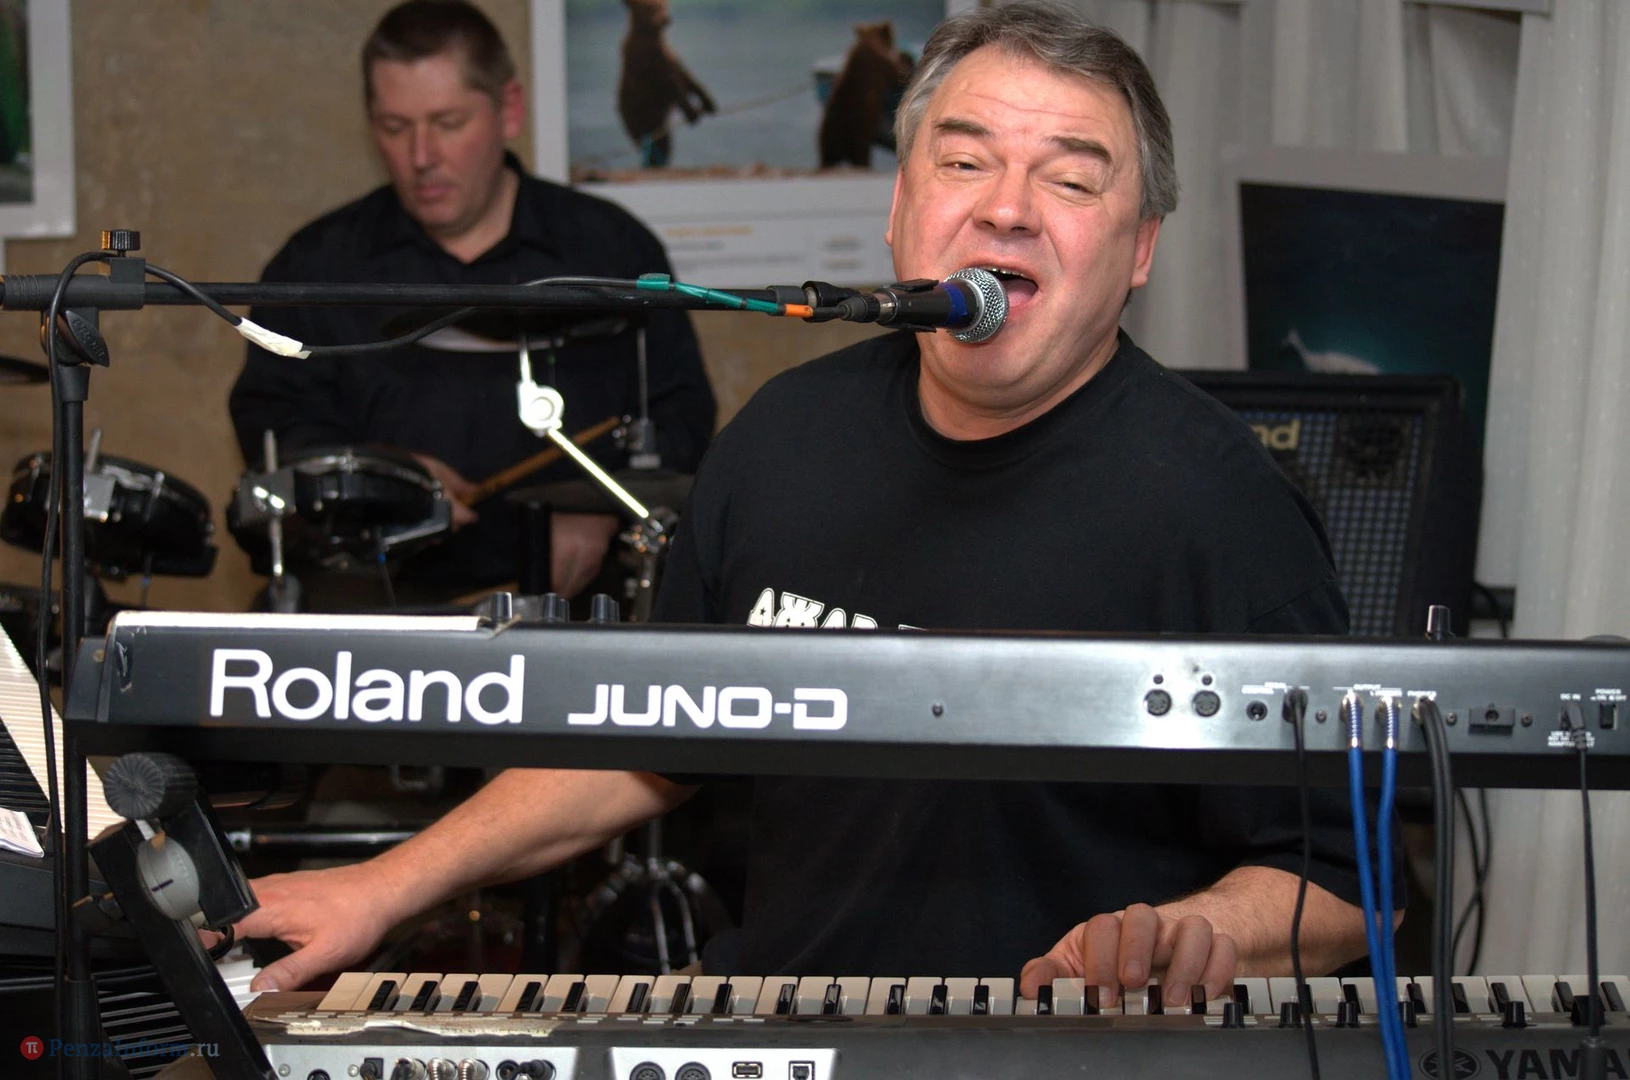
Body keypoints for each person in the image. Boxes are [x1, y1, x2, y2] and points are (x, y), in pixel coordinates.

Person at [238, 2, 1388, 1002]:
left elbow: (1348, 888)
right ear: (900, 205)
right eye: (964, 161)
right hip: (787, 1030)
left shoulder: (1219, 504)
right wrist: (379, 886)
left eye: (1072, 179)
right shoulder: (785, 436)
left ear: (1138, 249)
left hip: (1048, 1049)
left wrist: (1193, 933)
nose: (1007, 209)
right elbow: (646, 746)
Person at [229, 0, 716, 603]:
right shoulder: (318, 264)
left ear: (509, 110)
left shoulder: (610, 248)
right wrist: (385, 472)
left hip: (579, 606)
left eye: (448, 122)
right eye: (395, 127)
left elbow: (682, 416)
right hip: (380, 606)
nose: (421, 156)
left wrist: (605, 507)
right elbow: (274, 424)